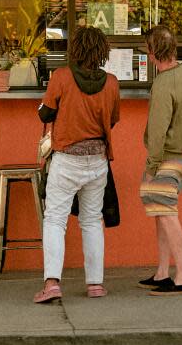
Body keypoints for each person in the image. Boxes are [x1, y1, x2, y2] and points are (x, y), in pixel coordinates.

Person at [33, 26, 121, 303]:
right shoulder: (112, 82)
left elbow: (45, 113)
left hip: (67, 159)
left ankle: (52, 284)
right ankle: (95, 284)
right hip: (97, 161)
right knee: (92, 221)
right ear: (101, 52)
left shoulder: (61, 77)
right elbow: (113, 120)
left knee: (55, 220)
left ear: (76, 50)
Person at [138, 23, 182, 295]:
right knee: (160, 211)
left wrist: (152, 167)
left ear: (152, 54)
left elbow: (157, 131)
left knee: (166, 212)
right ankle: (163, 272)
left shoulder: (163, 84)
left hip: (166, 157)